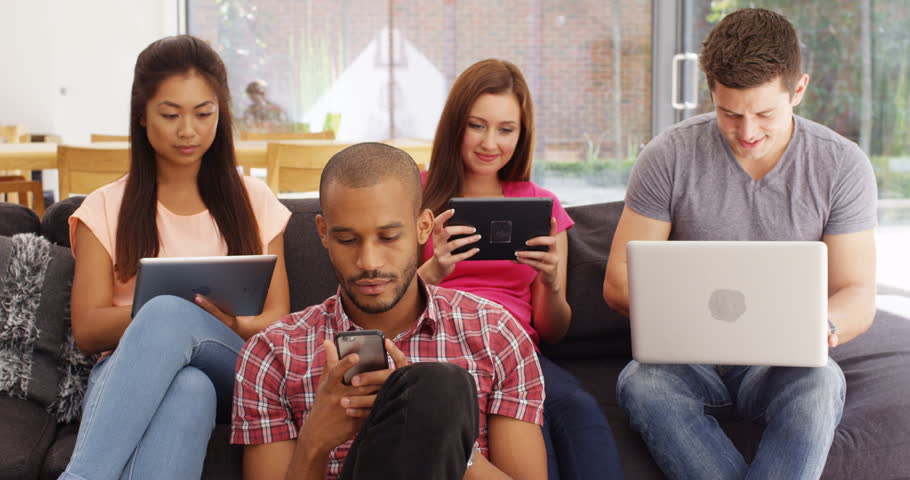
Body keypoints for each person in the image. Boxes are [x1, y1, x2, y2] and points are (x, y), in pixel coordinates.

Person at [603, 9, 877, 479]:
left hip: (780, 363)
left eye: (765, 113)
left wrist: (823, 326)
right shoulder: (667, 156)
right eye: (729, 114)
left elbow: (856, 292)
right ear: (711, 92)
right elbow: (618, 282)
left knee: (820, 382)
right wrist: (687, 316)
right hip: (686, 357)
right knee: (641, 383)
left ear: (799, 89)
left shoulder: (841, 166)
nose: (747, 132)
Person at [232, 143, 547, 480]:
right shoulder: (273, 353)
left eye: (389, 237)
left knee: (439, 388)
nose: (369, 262)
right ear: (323, 232)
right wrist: (316, 439)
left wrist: (444, 438)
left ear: (424, 227)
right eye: (348, 240)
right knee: (438, 386)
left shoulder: (495, 332)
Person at [60, 35, 291, 480]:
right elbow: (88, 329)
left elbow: (280, 317)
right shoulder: (104, 208)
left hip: (237, 366)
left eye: (204, 114)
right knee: (188, 387)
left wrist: (228, 322)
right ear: (142, 116)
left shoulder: (255, 200)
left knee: (168, 311)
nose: (189, 130)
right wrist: (165, 317)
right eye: (171, 114)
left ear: (221, 115)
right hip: (126, 373)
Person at [419, 59, 623, 480]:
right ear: (455, 124)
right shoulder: (414, 193)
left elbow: (553, 331)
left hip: (518, 352)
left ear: (521, 134)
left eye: (506, 129)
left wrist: (550, 282)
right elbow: (381, 300)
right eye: (477, 125)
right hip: (442, 345)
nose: (490, 142)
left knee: (580, 410)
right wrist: (434, 271)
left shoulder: (542, 205)